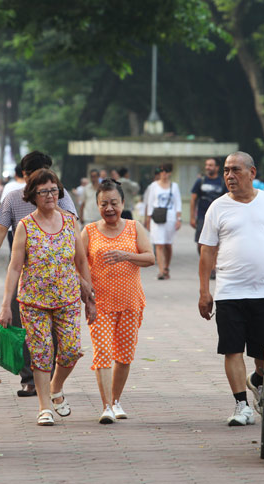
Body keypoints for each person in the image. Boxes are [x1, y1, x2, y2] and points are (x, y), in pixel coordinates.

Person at [0, 169, 96, 426]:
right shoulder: (25, 226)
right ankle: (44, 407)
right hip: (33, 301)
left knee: (72, 351)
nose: (50, 195)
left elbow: (81, 259)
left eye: (54, 190)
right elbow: (15, 267)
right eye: (43, 191)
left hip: (68, 298)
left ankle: (56, 388)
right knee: (41, 354)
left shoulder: (69, 221)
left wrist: (90, 295)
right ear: (33, 195)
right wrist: (6, 304)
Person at [198, 151, 264, 426]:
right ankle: (241, 406)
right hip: (229, 291)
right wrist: (204, 291)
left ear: (252, 173)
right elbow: (207, 252)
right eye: (226, 170)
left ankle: (258, 380)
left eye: (235, 170)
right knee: (232, 349)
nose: (229, 176)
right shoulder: (218, 207)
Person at [0, 151, 83, 398]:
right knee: (26, 329)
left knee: (59, 335)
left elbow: (73, 232)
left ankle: (51, 380)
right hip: (24, 269)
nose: (47, 190)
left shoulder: (58, 194)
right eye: (35, 178)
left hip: (59, 273)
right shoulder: (12, 199)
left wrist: (81, 277)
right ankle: (30, 379)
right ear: (25, 176)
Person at [81, 179, 155, 423]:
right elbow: (78, 265)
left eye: (114, 203)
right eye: (104, 204)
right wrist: (85, 292)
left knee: (124, 357)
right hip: (99, 304)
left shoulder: (135, 228)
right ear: (97, 205)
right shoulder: (89, 231)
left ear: (123, 203)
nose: (109, 208)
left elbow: (149, 258)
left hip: (130, 302)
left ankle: (115, 401)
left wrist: (127, 255)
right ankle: (106, 407)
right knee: (102, 353)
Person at [145, 163, 182, 280]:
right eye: (161, 171)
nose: (163, 173)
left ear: (170, 172)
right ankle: (161, 270)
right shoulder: (153, 186)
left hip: (170, 218)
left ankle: (166, 267)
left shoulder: (174, 186)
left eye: (166, 171)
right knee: (159, 244)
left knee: (167, 244)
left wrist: (179, 219)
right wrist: (147, 219)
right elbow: (150, 203)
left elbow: (178, 203)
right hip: (157, 218)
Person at [190, 158, 226, 265]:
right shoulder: (200, 181)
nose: (207, 167)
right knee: (200, 243)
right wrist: (192, 217)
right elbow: (193, 199)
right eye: (206, 165)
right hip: (202, 217)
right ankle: (205, 262)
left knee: (216, 243)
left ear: (217, 167)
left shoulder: (222, 182)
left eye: (210, 165)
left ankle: (213, 266)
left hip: (218, 217)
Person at [0, 163, 26, 251]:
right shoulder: (32, 186)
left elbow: (3, 206)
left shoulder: (9, 186)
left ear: (15, 174)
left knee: (14, 252)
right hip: (29, 228)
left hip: (12, 228)